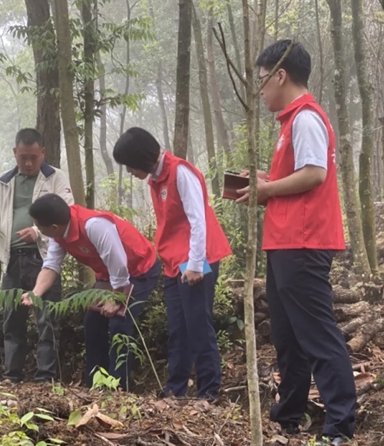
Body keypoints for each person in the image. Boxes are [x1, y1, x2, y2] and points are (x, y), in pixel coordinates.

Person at [236, 39, 356, 445]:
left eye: (263, 80)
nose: (261, 89)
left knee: (317, 333)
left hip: (303, 241)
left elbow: (314, 174)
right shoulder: (291, 122)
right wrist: (266, 186)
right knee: (288, 335)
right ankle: (290, 412)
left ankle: (340, 425)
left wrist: (267, 191)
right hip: (285, 240)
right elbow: (298, 176)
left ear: (281, 75)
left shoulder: (306, 118)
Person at [112, 128, 232, 400]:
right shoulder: (157, 179)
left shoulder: (180, 172)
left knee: (199, 326)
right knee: (178, 328)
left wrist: (195, 263)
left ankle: (209, 392)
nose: (130, 171)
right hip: (173, 263)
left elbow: (197, 219)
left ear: (141, 158)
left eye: (130, 165)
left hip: (196, 261)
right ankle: (175, 389)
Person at [19, 194, 161, 391]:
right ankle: (95, 386)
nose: (39, 231)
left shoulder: (94, 226)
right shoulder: (59, 234)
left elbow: (119, 265)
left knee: (120, 323)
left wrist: (116, 299)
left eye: (40, 227)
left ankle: (119, 388)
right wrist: (36, 293)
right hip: (107, 276)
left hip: (138, 269)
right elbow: (51, 266)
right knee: (93, 323)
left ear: (53, 227)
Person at [0, 128, 74, 383]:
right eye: (23, 157)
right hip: (12, 259)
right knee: (12, 321)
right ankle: (12, 376)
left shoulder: (56, 178)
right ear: (14, 153)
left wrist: (38, 233)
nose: (28, 163)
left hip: (44, 259)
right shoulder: (4, 182)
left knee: (47, 319)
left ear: (43, 153)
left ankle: (45, 377)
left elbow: (67, 214)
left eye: (33, 157)